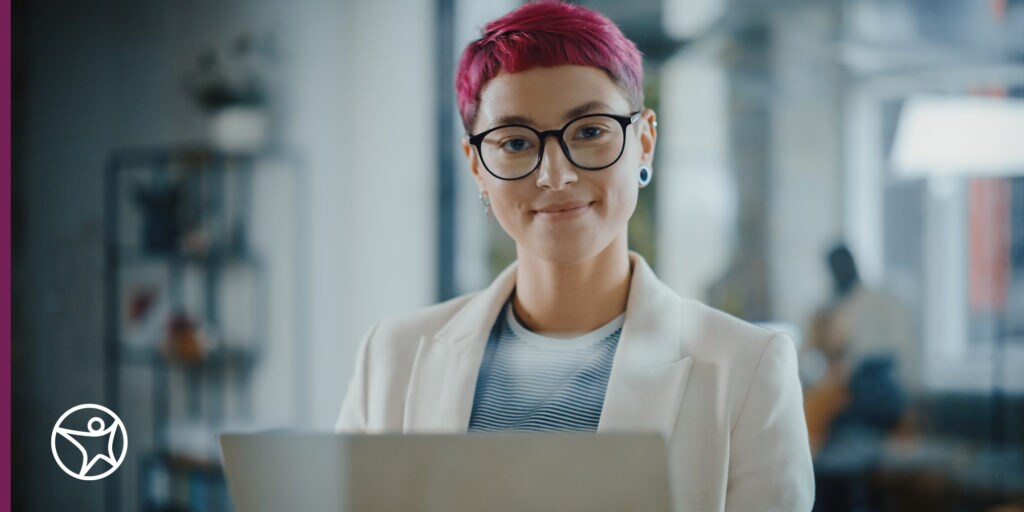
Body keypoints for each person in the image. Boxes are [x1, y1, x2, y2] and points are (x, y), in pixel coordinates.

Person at [335, 1, 814, 510]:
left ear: (644, 141)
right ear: (476, 166)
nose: (554, 175)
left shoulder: (747, 369)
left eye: (588, 132)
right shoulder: (394, 356)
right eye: (516, 142)